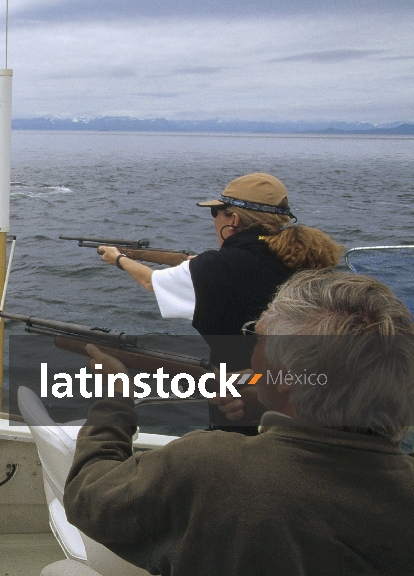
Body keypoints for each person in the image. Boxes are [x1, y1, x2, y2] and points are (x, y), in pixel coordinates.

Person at [64, 271, 414, 576]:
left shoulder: (208, 467)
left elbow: (87, 494)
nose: (251, 350)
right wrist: (272, 395)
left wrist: (113, 400)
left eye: (256, 337)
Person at [99, 172, 342, 430]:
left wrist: (117, 259)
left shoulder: (217, 269)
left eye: (217, 213)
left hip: (239, 403)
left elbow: (151, 282)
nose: (214, 220)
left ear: (234, 219)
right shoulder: (302, 257)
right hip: (311, 399)